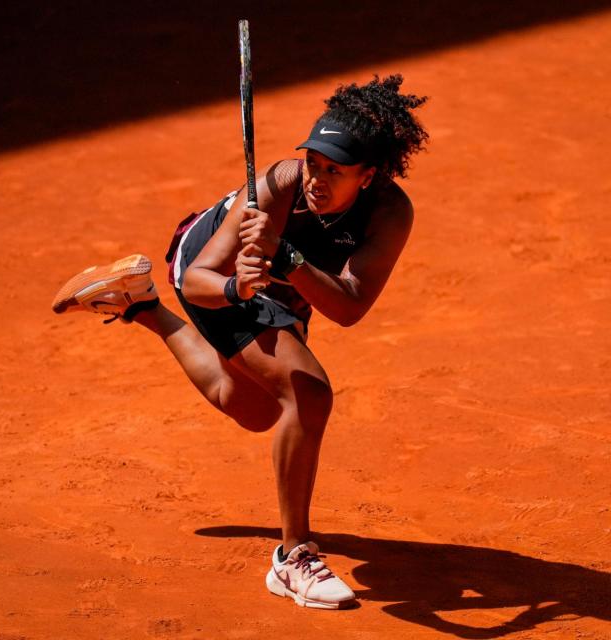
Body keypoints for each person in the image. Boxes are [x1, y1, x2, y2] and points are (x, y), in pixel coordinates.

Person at [51, 74, 428, 610]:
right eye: (313, 163)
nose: (317, 179)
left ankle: (139, 304)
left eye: (335, 171)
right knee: (307, 392)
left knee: (251, 408)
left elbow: (348, 306)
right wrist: (238, 284)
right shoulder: (277, 185)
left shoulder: (391, 213)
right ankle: (293, 557)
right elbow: (204, 281)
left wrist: (286, 261)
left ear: (368, 177)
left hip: (283, 280)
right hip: (213, 269)